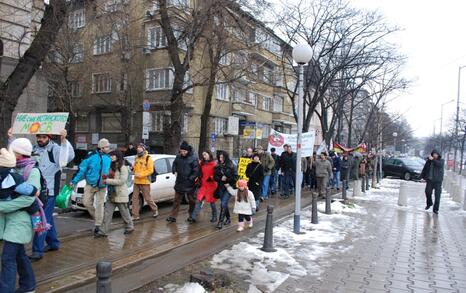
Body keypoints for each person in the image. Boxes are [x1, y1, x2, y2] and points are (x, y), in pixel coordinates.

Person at [8, 128, 75, 260]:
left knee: (42, 220)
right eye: (39, 137)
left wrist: (63, 140)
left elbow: (67, 156)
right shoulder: (34, 149)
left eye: (43, 137)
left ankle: (37, 250)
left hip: (49, 191)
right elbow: (19, 153)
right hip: (37, 189)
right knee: (47, 218)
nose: (40, 139)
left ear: (49, 137)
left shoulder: (55, 149)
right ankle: (54, 243)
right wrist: (12, 139)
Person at [0, 148, 39, 293]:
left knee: (7, 258)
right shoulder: (10, 171)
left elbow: (29, 199)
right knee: (20, 255)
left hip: (20, 220)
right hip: (8, 221)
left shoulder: (32, 171)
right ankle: (28, 285)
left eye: (13, 151)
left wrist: (1, 206)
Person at [71, 138, 112, 237]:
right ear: (101, 147)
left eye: (108, 146)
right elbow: (82, 169)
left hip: (102, 186)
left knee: (99, 205)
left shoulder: (109, 157)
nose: (108, 148)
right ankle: (98, 219)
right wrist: (74, 181)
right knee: (86, 202)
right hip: (90, 184)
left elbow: (112, 171)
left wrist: (110, 182)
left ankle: (98, 225)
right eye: (106, 146)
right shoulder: (91, 156)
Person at [101, 150, 134, 236]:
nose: (111, 157)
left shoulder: (123, 167)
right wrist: (105, 176)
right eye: (110, 156)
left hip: (120, 194)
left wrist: (107, 180)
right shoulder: (111, 166)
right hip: (111, 194)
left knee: (125, 213)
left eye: (113, 156)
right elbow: (110, 176)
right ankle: (103, 231)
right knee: (107, 214)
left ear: (117, 156)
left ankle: (130, 227)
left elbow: (121, 181)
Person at [167, 141, 199, 223]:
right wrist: (174, 170)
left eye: (185, 151)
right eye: (181, 151)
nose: (183, 153)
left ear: (188, 151)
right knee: (176, 200)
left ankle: (192, 215)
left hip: (189, 183)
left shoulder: (193, 158)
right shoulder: (178, 157)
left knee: (191, 201)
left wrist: (190, 178)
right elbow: (174, 164)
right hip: (180, 182)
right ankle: (173, 216)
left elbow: (196, 171)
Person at [132, 143, 158, 220]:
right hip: (136, 181)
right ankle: (135, 215)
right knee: (134, 198)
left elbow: (150, 170)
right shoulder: (136, 158)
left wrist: (141, 175)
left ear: (144, 148)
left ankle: (155, 210)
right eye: (138, 147)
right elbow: (135, 169)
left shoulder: (148, 158)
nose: (138, 148)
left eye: (140, 147)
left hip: (145, 181)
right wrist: (132, 169)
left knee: (147, 198)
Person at [190, 150, 218, 223]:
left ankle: (215, 216)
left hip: (211, 186)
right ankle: (193, 217)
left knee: (212, 202)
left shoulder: (214, 164)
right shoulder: (201, 164)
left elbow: (216, 174)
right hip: (203, 185)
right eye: (203, 155)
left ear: (209, 154)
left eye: (205, 154)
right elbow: (198, 172)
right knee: (198, 200)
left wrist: (211, 177)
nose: (204, 156)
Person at [214, 150, 237, 229]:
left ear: (225, 157)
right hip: (221, 187)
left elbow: (235, 177)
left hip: (229, 187)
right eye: (219, 157)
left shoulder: (231, 165)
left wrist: (227, 178)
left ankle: (220, 222)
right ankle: (228, 218)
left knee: (223, 203)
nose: (220, 159)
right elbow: (215, 177)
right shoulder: (217, 165)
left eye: (222, 157)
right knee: (224, 204)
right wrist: (220, 178)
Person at [421, 150, 444, 214]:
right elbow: (425, 168)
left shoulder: (441, 161)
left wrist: (433, 160)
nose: (435, 155)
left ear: (438, 155)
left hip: (438, 181)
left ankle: (435, 209)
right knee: (427, 192)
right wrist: (422, 176)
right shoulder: (429, 161)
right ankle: (429, 203)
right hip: (430, 180)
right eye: (434, 154)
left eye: (436, 154)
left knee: (437, 196)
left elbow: (439, 165)